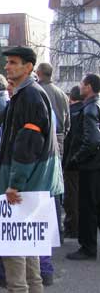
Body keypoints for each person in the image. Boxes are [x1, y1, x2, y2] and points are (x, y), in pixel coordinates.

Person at [0, 47, 63, 293]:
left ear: (29, 67)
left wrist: (14, 183)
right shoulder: (29, 94)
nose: (8, 67)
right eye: (7, 63)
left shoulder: (29, 96)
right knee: (28, 243)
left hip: (26, 182)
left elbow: (28, 143)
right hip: (35, 182)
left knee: (14, 245)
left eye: (14, 63)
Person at [66, 73, 100, 261]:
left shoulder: (89, 109)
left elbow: (92, 141)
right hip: (95, 164)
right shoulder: (95, 106)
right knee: (94, 205)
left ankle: (87, 248)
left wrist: (77, 158)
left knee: (87, 207)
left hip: (90, 166)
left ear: (88, 87)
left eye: (81, 83)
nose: (79, 86)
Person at [37, 62, 70, 244]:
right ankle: (58, 229)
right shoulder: (61, 94)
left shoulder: (38, 91)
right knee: (56, 186)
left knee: (43, 186)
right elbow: (68, 123)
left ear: (40, 73)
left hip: (45, 139)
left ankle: (48, 230)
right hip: (59, 140)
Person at [62, 85, 84, 239]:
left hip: (72, 161)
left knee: (72, 196)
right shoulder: (87, 109)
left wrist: (70, 159)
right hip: (85, 162)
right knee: (82, 195)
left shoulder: (74, 113)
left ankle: (72, 227)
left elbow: (69, 139)